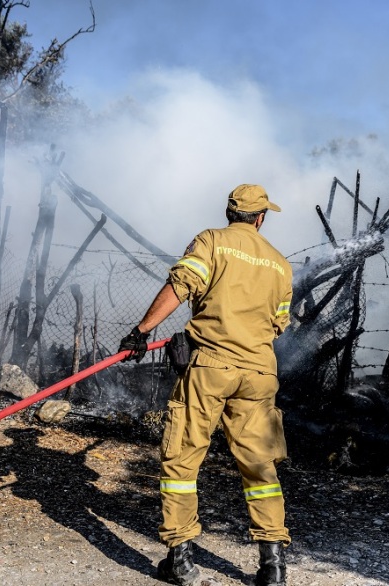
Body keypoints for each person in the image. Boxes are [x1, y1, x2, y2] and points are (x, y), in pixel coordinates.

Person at [118, 184, 294, 586]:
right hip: (259, 373)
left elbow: (180, 285)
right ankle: (273, 566)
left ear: (230, 212)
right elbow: (278, 324)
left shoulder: (211, 241)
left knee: (181, 461)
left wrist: (142, 331)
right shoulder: (280, 264)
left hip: (210, 368)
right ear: (261, 218)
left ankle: (180, 561)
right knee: (260, 466)